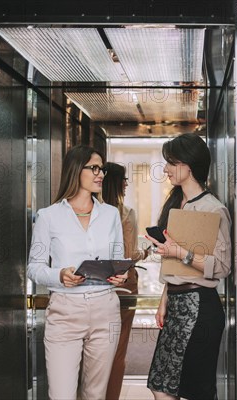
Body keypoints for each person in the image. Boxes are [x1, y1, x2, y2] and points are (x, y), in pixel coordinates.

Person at [27, 145, 129, 400]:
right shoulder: (48, 216)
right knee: (62, 395)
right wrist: (59, 275)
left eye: (102, 169)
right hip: (65, 312)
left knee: (95, 394)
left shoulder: (110, 214)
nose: (100, 174)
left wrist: (121, 274)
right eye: (94, 168)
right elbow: (34, 267)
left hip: (106, 309)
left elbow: (117, 260)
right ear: (76, 170)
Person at [145, 133, 232, 400]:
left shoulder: (214, 209)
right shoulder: (175, 203)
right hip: (176, 304)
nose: (166, 169)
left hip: (200, 308)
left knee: (197, 391)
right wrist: (165, 300)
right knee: (161, 386)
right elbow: (172, 264)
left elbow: (222, 266)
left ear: (188, 165)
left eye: (171, 162)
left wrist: (180, 252)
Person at [102, 162, 150, 399]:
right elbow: (130, 254)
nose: (127, 183)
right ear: (116, 182)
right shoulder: (125, 213)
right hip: (124, 284)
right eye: (124, 179)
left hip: (96, 284)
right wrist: (146, 252)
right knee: (118, 349)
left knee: (95, 348)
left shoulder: (93, 211)